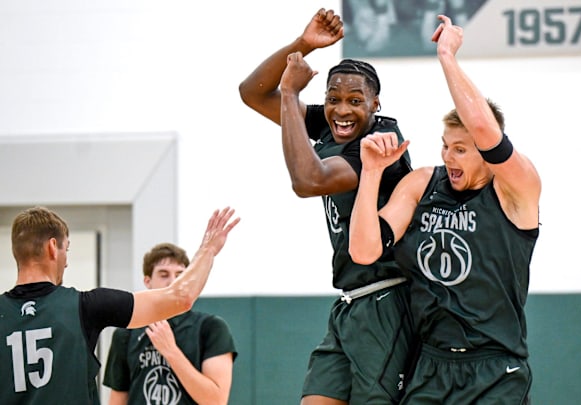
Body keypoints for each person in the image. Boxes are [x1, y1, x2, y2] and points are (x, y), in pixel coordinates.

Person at [348, 14, 541, 404]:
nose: (447, 156)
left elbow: (487, 133)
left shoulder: (517, 189)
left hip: (495, 368)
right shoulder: (423, 183)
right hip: (431, 366)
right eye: (444, 145)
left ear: (486, 155)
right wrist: (370, 173)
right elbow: (364, 251)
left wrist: (447, 57)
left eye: (460, 148)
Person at [239, 8, 415, 405]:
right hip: (350, 303)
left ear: (375, 104)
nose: (341, 110)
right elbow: (251, 93)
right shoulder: (334, 124)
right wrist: (303, 46)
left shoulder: (380, 142)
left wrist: (289, 93)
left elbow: (308, 181)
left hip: (389, 299)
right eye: (332, 99)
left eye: (355, 100)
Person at [0, 206, 239, 405]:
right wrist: (208, 250)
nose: (67, 262)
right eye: (67, 250)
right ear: (53, 247)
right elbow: (181, 297)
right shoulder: (86, 306)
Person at [103, 242, 237, 404]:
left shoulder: (210, 328)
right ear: (147, 281)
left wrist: (171, 351)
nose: (173, 282)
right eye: (164, 274)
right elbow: (117, 400)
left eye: (180, 275)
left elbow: (216, 401)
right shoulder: (126, 334)